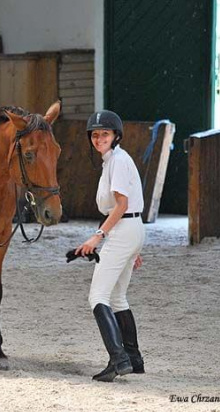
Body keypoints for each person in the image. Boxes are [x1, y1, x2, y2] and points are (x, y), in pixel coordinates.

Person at [75, 110, 146, 382]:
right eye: (94, 134)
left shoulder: (117, 160)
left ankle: (118, 359)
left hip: (122, 229)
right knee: (117, 298)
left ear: (116, 135)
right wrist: (133, 247)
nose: (98, 138)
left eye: (104, 133)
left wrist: (98, 236)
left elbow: (122, 205)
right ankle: (134, 358)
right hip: (132, 230)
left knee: (98, 297)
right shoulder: (114, 161)